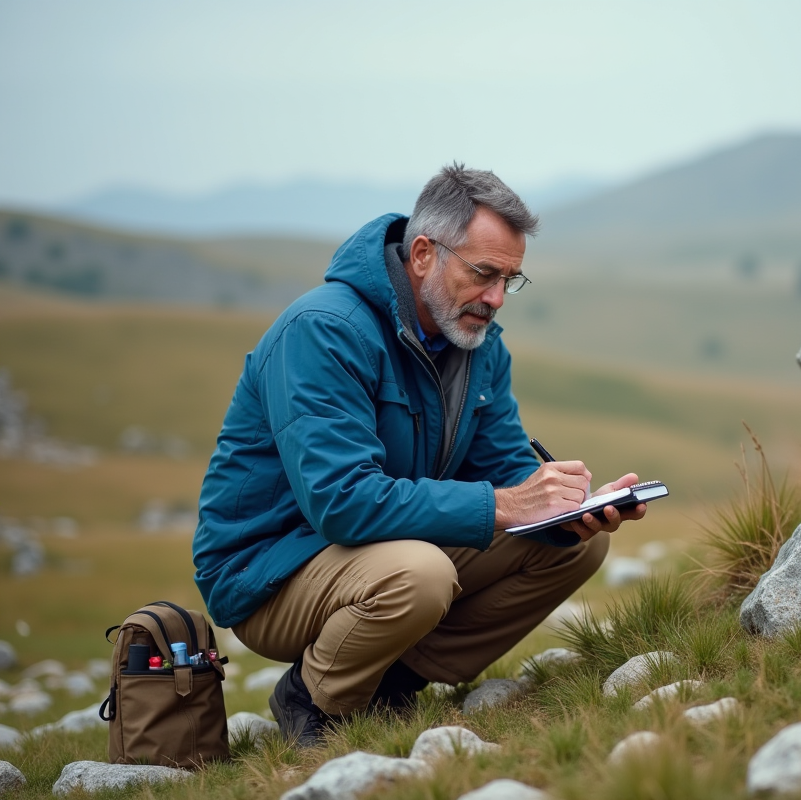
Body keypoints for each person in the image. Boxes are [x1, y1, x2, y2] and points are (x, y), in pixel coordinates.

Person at [192, 164, 646, 746]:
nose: (497, 299)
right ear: (425, 253)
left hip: (383, 547)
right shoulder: (323, 330)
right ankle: (314, 699)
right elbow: (343, 503)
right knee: (420, 575)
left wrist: (568, 511)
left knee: (575, 548)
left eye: (511, 280)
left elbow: (504, 468)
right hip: (272, 570)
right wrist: (507, 505)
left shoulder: (475, 343)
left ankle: (391, 687)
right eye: (484, 274)